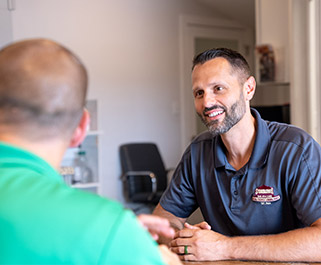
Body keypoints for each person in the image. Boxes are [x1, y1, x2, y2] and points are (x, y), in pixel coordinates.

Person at [0, 38, 181, 265]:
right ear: (82, 127)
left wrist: (113, 234)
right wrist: (113, 237)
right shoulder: (107, 230)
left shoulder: (106, 230)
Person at [153, 47, 321, 262]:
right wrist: (186, 242)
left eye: (218, 88)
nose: (207, 102)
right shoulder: (198, 151)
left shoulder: (296, 148)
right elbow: (163, 219)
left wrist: (223, 247)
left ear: (248, 88)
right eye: (199, 93)